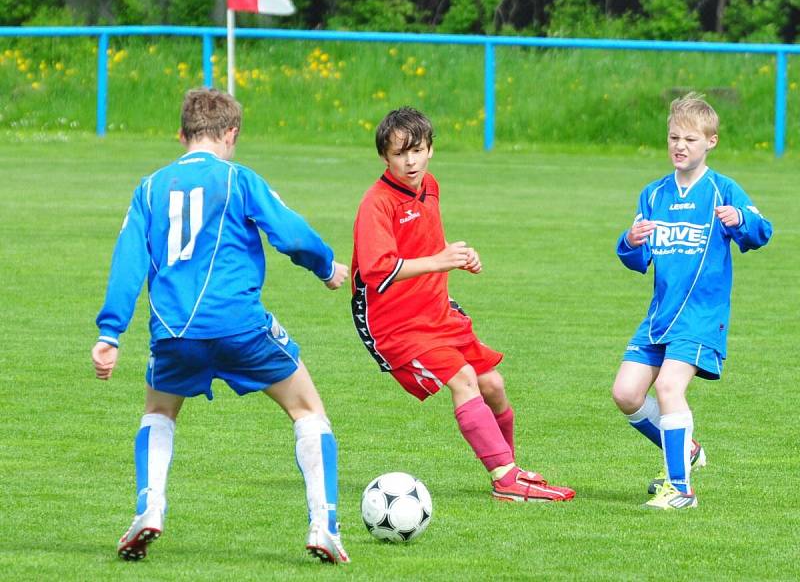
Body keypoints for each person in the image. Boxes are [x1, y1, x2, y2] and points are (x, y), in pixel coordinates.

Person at [92, 88, 350, 563]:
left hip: (173, 333)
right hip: (240, 326)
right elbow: (290, 233)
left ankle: (149, 508)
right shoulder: (239, 180)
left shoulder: (149, 188)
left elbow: (127, 262)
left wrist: (110, 333)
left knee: (159, 411)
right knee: (307, 409)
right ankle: (324, 524)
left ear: (182, 134)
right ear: (231, 133)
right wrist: (328, 267)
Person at [350, 106, 575, 503]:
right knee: (464, 379)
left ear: (431, 150)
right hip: (395, 323)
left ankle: (509, 469)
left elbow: (426, 244)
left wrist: (458, 258)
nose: (410, 160)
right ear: (384, 157)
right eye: (400, 153)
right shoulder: (377, 203)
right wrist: (439, 260)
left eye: (417, 150)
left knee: (493, 384)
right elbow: (375, 270)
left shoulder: (430, 186)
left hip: (436, 309)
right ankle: (506, 480)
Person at [612, 92, 772, 510]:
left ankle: (680, 489)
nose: (680, 146)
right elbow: (637, 258)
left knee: (668, 387)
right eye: (673, 138)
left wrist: (742, 221)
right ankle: (687, 449)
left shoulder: (723, 189)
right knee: (626, 394)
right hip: (660, 316)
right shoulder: (653, 194)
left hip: (701, 316)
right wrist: (628, 243)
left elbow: (761, 232)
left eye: (690, 139)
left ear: (711, 142)